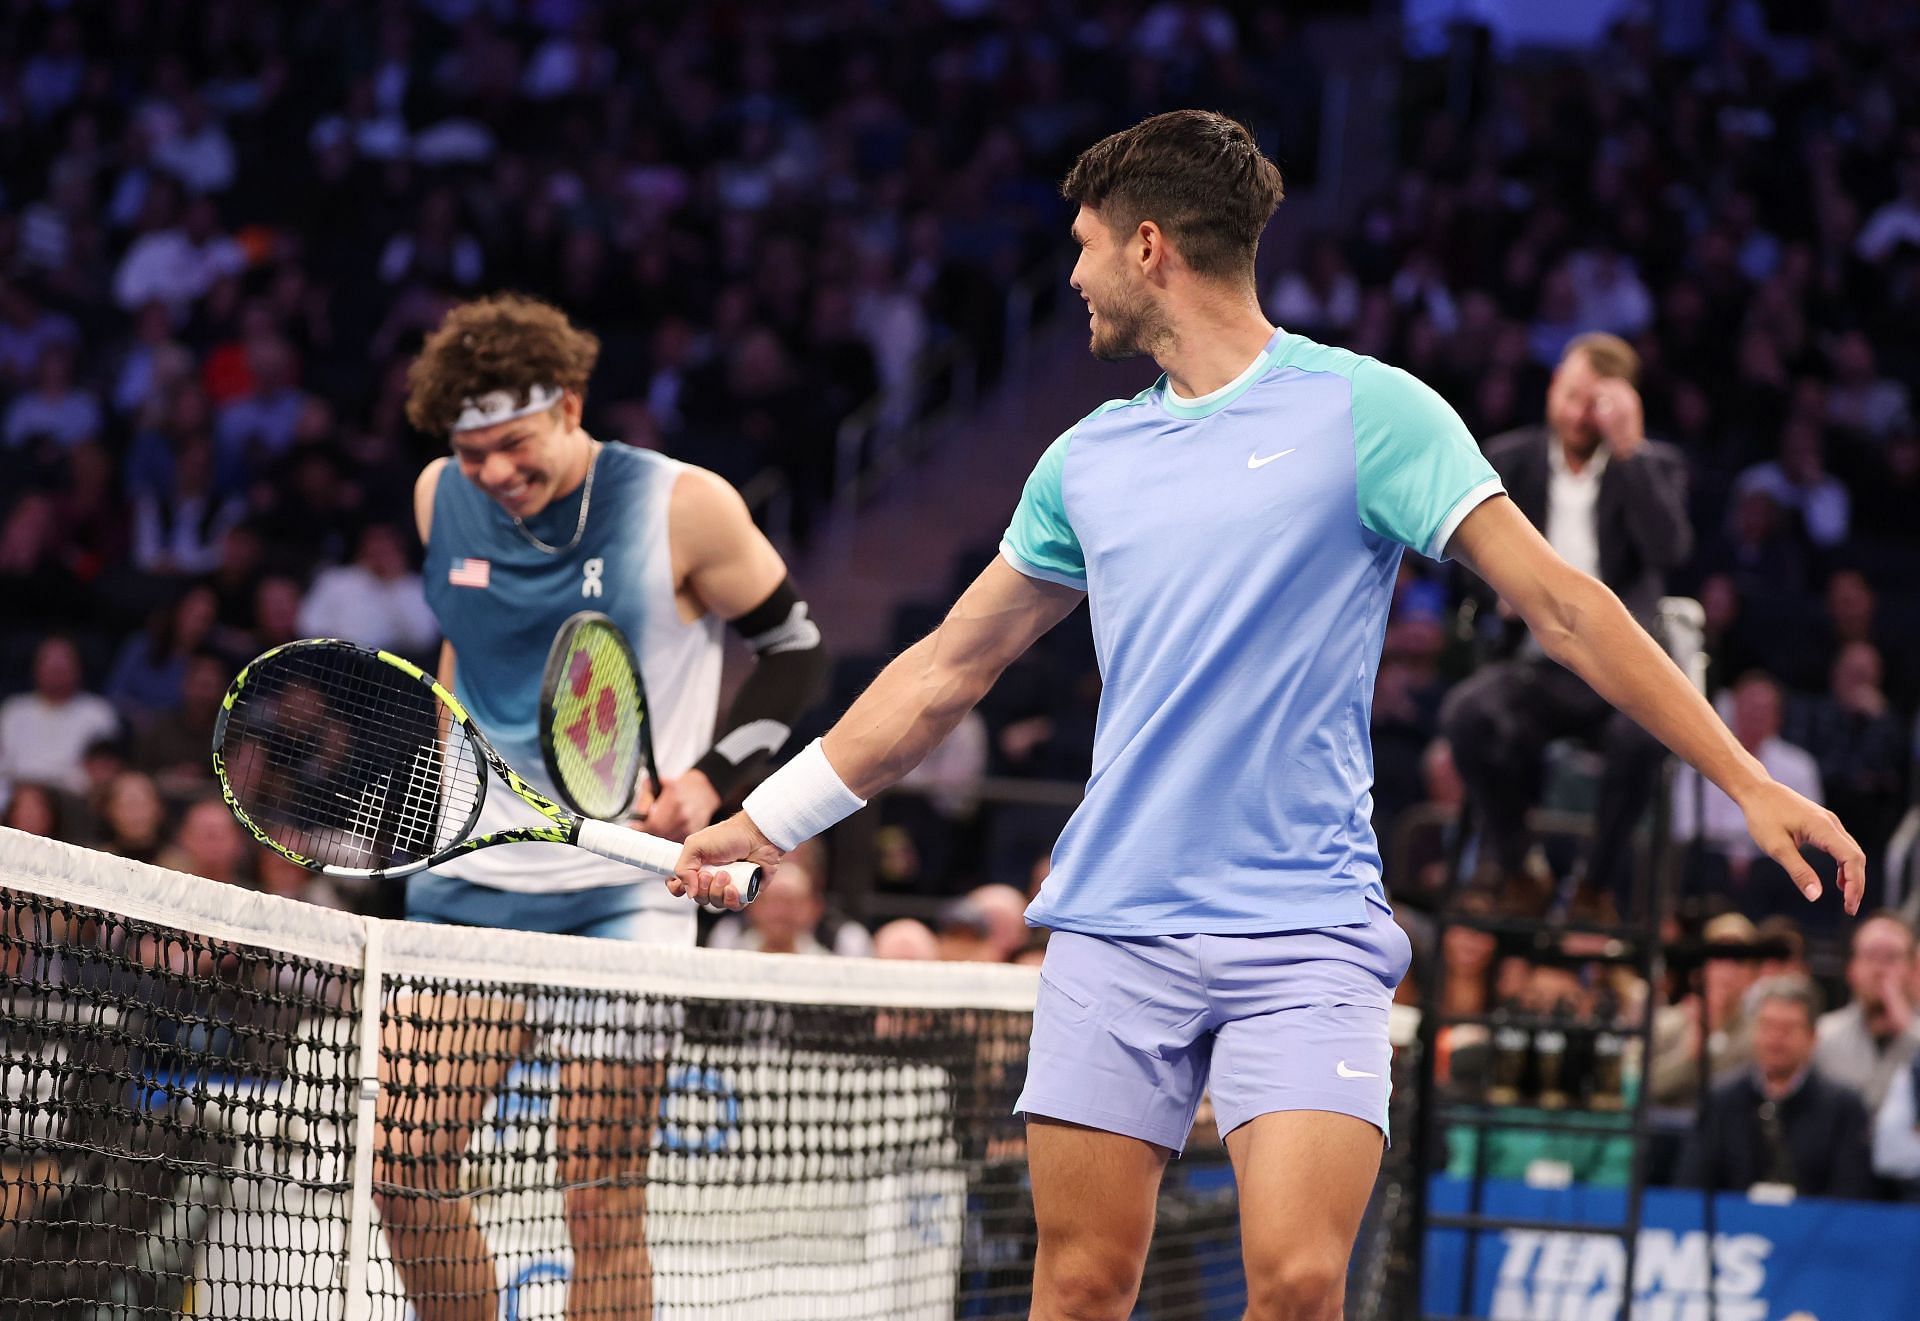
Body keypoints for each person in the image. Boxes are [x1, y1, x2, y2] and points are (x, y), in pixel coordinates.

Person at [673, 110, 1867, 1321]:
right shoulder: (1085, 459)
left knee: (1298, 1283)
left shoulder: (1370, 413)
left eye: (1085, 245)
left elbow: (1563, 603)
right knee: (1081, 1285)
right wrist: (769, 817)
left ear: (1149, 249)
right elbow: (945, 669)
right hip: (1115, 925)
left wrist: (1744, 778)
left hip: (1303, 929)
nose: (1072, 274)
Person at [378, 293, 828, 1321]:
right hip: (473, 872)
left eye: (514, 444)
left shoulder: (681, 504)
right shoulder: (435, 496)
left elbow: (798, 648)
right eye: (473, 450)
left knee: (598, 1197)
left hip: (625, 890)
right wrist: (455, 774)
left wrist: (710, 781)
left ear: (571, 405)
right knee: (403, 1168)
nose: (493, 472)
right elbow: (468, 638)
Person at [1439, 332, 1691, 913]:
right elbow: (1463, 557)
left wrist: (1629, 449)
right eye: (1574, 394)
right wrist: (1501, 585)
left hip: (1620, 668)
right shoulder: (1509, 459)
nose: (1580, 413)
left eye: (1596, 403)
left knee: (1647, 735)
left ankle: (1596, 884)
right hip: (1538, 663)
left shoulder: (1652, 467)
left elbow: (1671, 549)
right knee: (1469, 714)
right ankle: (1516, 863)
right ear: (1554, 386)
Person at [1675, 975, 1874, 1201]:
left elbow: (1851, 1194)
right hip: (1733, 1230)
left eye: (1788, 1028)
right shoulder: (1721, 1099)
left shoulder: (1844, 1107)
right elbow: (1690, 1186)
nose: (1775, 1039)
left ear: (1812, 1038)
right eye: (1767, 1026)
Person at [1814, 911, 1920, 1113]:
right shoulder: (1823, 1037)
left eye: (1892, 958)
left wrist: (1909, 1030)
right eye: (1870, 956)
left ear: (1913, 969)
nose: (1880, 970)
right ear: (1851, 968)